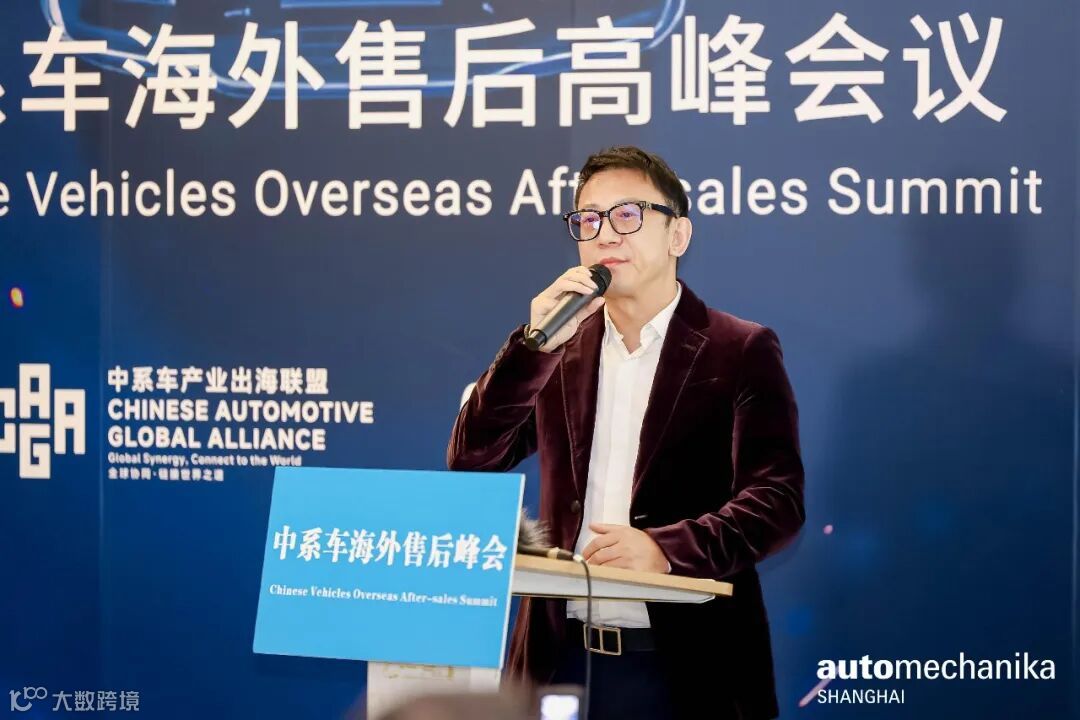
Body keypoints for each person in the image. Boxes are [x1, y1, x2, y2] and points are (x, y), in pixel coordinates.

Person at [447, 145, 805, 719]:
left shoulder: (739, 349)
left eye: (628, 215)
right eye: (588, 220)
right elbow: (472, 460)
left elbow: (777, 501)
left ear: (678, 234)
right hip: (558, 660)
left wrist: (665, 549)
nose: (606, 234)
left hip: (688, 667)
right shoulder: (558, 347)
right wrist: (531, 348)